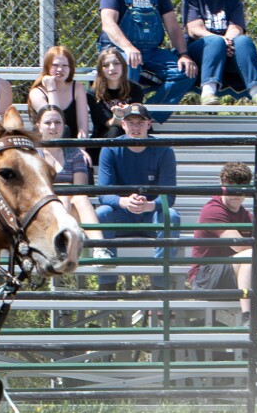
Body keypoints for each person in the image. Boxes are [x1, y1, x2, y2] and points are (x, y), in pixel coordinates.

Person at [97, 0, 198, 120]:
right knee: (130, 62)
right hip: (118, 49)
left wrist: (184, 54)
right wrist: (128, 48)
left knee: (186, 72)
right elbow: (108, 23)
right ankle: (125, 118)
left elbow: (173, 26)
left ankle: (147, 117)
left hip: (151, 51)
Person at [188, 161, 257, 326]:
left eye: (241, 187)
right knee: (250, 254)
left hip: (237, 276)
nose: (236, 193)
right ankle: (248, 318)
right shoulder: (213, 209)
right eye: (231, 186)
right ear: (222, 184)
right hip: (206, 278)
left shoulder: (246, 216)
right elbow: (238, 245)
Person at [94, 103, 179, 289]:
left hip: (151, 215)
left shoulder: (164, 150)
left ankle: (160, 285)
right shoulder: (110, 148)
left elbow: (169, 196)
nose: (135, 127)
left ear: (149, 124)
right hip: (122, 214)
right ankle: (106, 285)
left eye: (140, 122)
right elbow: (104, 193)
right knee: (101, 213)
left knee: (171, 216)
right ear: (123, 125)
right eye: (130, 122)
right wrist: (124, 201)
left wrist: (149, 205)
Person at [182, 0, 257, 106]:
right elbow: (194, 30)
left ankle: (256, 91)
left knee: (244, 41)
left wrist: (227, 41)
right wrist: (221, 40)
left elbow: (236, 27)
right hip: (200, 52)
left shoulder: (233, 0)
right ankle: (208, 92)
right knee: (215, 41)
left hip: (228, 50)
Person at [34, 104, 107, 258]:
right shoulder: (32, 154)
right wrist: (64, 190)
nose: (53, 127)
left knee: (80, 198)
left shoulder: (74, 153)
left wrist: (64, 192)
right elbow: (36, 189)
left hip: (71, 208)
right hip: (42, 208)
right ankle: (63, 247)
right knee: (66, 196)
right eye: (48, 123)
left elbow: (80, 189)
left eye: (58, 122)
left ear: (64, 125)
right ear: (38, 126)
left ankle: (99, 248)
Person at [27, 46, 92, 140]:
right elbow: (55, 118)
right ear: (47, 67)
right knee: (64, 129)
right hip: (47, 142)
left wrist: (81, 146)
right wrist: (51, 88)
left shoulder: (77, 88)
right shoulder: (36, 93)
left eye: (65, 65)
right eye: (55, 65)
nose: (60, 69)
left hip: (72, 143)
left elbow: (83, 126)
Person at [88, 47, 144, 143]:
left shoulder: (135, 89)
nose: (112, 68)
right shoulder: (93, 93)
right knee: (115, 130)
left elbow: (137, 118)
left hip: (132, 130)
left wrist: (130, 111)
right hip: (104, 138)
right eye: (106, 65)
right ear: (100, 70)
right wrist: (118, 116)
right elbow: (105, 124)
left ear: (123, 66)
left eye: (116, 63)